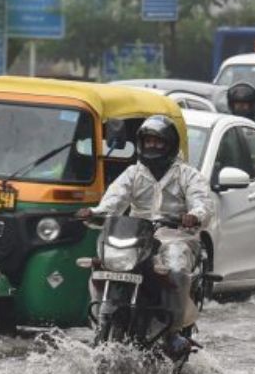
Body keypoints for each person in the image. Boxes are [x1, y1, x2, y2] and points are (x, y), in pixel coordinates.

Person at [76, 115, 214, 347]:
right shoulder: (133, 173)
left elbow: (203, 205)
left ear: (170, 144)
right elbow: (114, 200)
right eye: (148, 141)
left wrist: (193, 216)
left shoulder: (188, 175)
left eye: (158, 142)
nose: (152, 146)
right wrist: (94, 212)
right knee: (101, 263)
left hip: (175, 236)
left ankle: (173, 333)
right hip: (137, 237)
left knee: (176, 266)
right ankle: (101, 322)